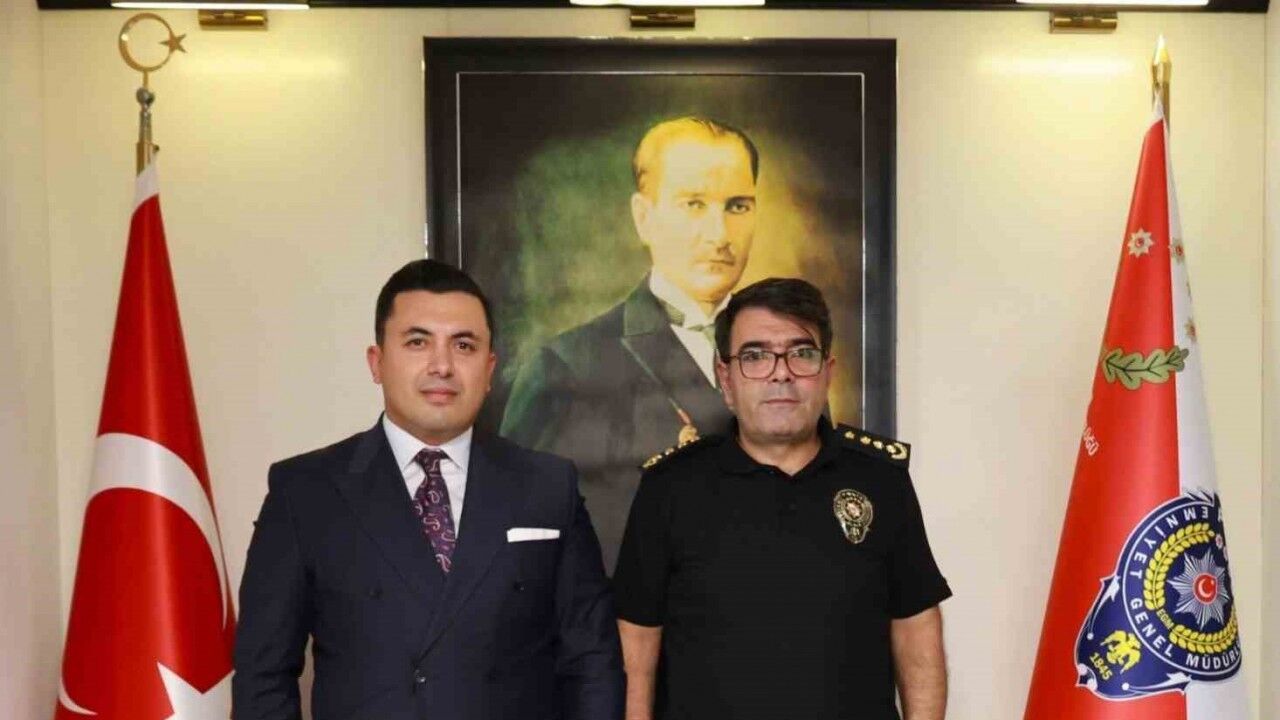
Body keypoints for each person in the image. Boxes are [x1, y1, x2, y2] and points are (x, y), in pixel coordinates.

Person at [232, 260, 624, 720]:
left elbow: (592, 662)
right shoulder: (305, 491)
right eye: (418, 342)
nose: (442, 366)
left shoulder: (547, 485)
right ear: (377, 362)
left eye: (464, 345)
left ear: (490, 368)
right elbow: (263, 677)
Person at [612, 277, 951, 720]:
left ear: (828, 371)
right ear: (725, 378)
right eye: (755, 356)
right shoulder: (670, 488)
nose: (780, 373)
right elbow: (637, 644)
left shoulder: (880, 481)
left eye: (801, 353)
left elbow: (916, 627)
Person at [501, 116, 758, 571]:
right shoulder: (566, 367)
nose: (719, 235)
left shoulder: (793, 362)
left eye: (737, 206)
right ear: (644, 218)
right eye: (694, 204)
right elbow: (522, 547)